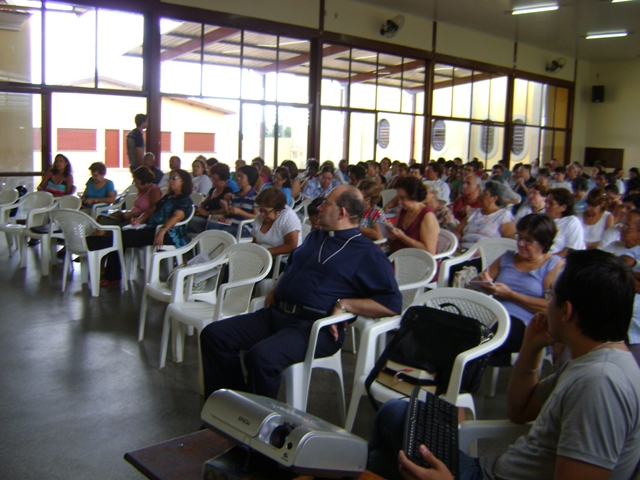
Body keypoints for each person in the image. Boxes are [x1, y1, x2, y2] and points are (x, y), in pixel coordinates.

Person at [368, 249, 640, 480]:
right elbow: (519, 411)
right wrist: (531, 347)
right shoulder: (591, 361)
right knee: (393, 414)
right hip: (492, 468)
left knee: (377, 459)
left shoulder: (600, 384)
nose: (546, 304)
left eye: (550, 295)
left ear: (566, 311)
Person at [199, 185, 402, 399]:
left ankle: (256, 424)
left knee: (262, 357)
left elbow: (391, 304)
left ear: (342, 212)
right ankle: (231, 405)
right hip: (278, 314)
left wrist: (346, 305)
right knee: (215, 335)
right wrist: (278, 286)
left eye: (327, 203)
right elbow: (293, 265)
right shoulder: (316, 238)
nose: (320, 207)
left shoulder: (366, 253)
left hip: (315, 327)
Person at [473, 214, 564, 364]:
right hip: (491, 316)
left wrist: (511, 295)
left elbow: (550, 307)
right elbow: (478, 282)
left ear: (544, 242)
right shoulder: (507, 257)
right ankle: (487, 361)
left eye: (528, 240)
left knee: (480, 342)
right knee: (469, 334)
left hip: (524, 325)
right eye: (519, 237)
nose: (520, 243)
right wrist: (482, 281)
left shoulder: (553, 265)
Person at [93, 169, 193, 285]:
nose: (171, 181)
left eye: (175, 178)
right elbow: (151, 210)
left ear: (184, 182)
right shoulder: (168, 197)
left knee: (120, 237)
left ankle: (93, 245)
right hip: (152, 228)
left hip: (170, 234)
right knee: (120, 235)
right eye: (170, 178)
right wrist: (139, 220)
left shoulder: (184, 200)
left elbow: (176, 217)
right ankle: (111, 272)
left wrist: (162, 231)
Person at [386, 176, 439, 255]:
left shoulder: (427, 216)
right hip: (398, 256)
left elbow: (429, 252)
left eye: (402, 198)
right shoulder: (404, 210)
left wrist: (403, 238)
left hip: (417, 262)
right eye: (398, 198)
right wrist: (390, 231)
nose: (399, 202)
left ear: (413, 196)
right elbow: (394, 239)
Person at [455, 180, 516, 249]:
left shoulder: (504, 216)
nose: (480, 196)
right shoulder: (473, 212)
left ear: (494, 198)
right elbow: (457, 230)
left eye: (485, 194)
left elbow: (509, 240)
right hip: (463, 250)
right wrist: (456, 244)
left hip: (486, 254)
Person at [207, 165, 259, 239]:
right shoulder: (235, 195)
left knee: (224, 232)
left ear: (250, 179)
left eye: (241, 177)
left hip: (243, 225)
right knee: (212, 223)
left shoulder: (256, 196)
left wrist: (240, 212)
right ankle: (208, 248)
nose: (238, 179)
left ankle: (217, 249)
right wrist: (225, 207)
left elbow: (257, 217)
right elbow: (228, 214)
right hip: (230, 222)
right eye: (238, 176)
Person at [252, 187, 301, 255]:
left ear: (278, 210)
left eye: (266, 212)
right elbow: (255, 242)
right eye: (260, 210)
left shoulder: (288, 217)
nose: (262, 214)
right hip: (262, 256)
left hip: (283, 260)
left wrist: (262, 252)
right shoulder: (259, 218)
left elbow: (291, 246)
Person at [187, 163, 233, 234]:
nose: (213, 182)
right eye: (212, 179)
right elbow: (204, 203)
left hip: (216, 218)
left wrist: (208, 213)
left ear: (225, 180)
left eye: (216, 180)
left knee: (190, 221)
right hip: (207, 217)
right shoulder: (213, 190)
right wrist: (199, 207)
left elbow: (224, 210)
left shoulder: (227, 192)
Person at [545, 187, 585, 257]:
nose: (546, 206)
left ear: (563, 207)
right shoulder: (544, 220)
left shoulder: (572, 222)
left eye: (551, 203)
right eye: (546, 202)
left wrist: (547, 260)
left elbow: (572, 250)